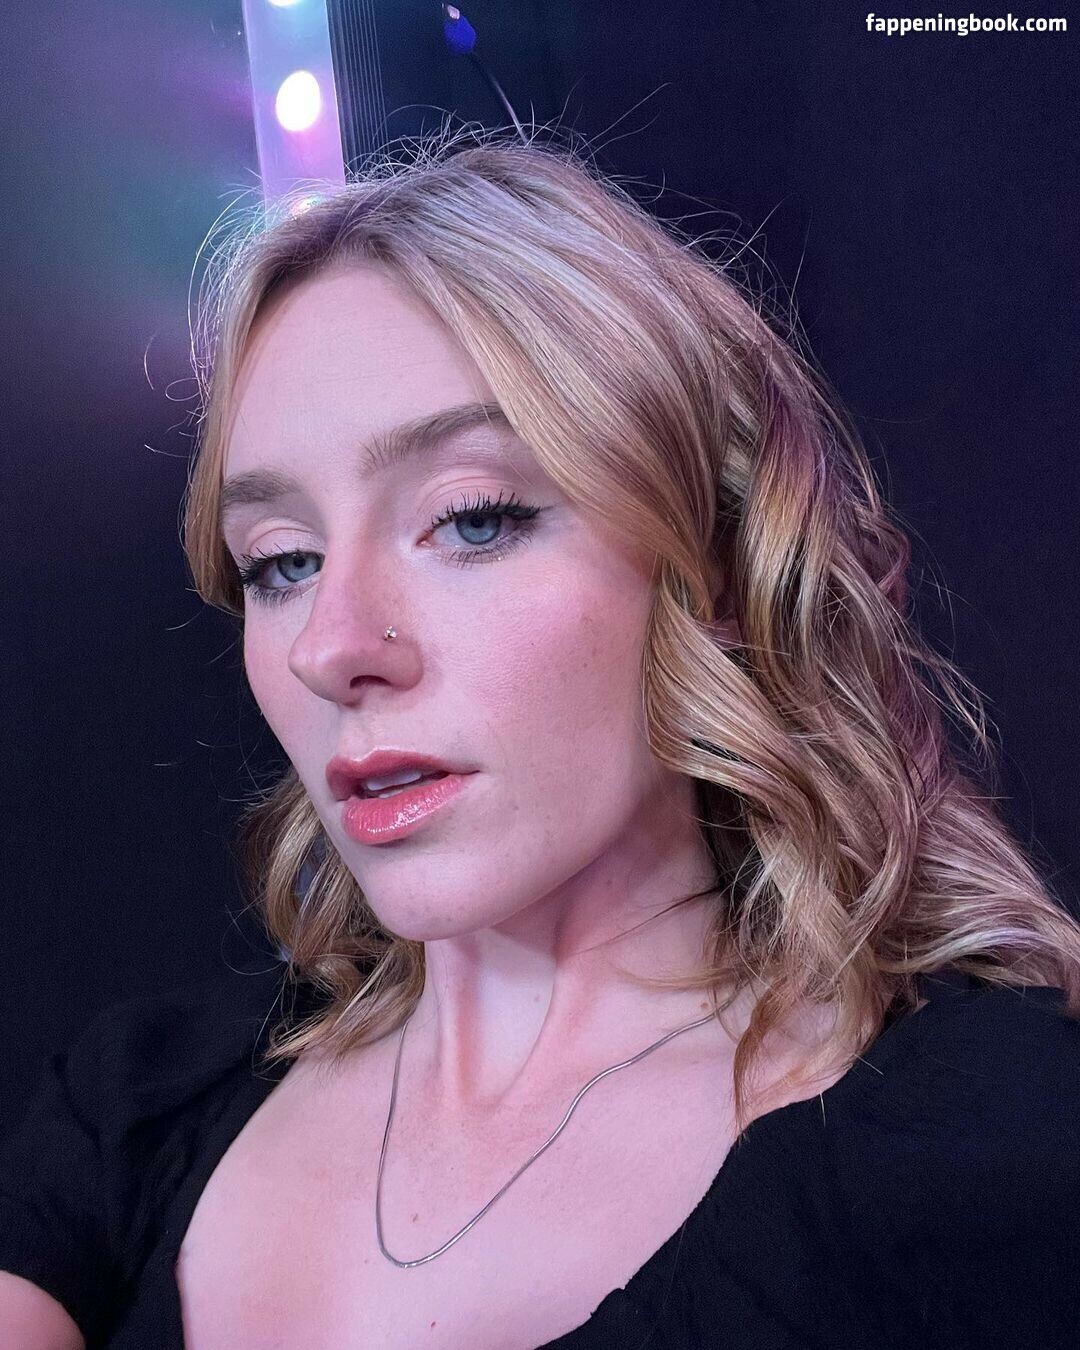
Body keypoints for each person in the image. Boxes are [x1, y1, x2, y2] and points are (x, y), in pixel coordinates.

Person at [2, 126, 1079, 1350]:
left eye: (472, 519)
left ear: (717, 567)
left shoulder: (984, 1157)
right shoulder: (135, 1106)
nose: (331, 646)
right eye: (283, 562)